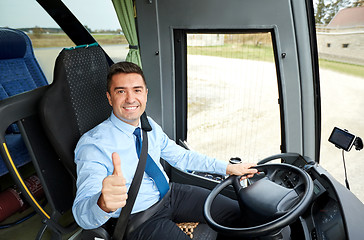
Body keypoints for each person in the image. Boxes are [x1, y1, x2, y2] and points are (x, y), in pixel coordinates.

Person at [72, 61, 258, 239]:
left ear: (145, 93)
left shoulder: (148, 124)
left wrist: (227, 168)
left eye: (137, 90)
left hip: (171, 194)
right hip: (140, 217)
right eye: (121, 91)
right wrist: (102, 204)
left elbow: (181, 157)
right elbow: (82, 215)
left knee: (241, 213)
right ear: (109, 97)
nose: (130, 99)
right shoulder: (93, 145)